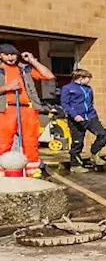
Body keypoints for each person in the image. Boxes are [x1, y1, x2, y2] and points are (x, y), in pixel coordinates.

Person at [0, 44, 54, 178]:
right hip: (6, 109)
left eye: (13, 54)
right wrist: (5, 87)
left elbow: (48, 75)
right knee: (3, 142)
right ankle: (2, 171)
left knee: (31, 141)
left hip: (28, 109)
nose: (10, 57)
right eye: (6, 54)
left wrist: (32, 60)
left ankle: (32, 171)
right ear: (0, 55)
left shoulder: (25, 69)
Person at [60, 69, 106, 172]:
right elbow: (65, 104)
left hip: (90, 117)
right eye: (88, 78)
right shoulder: (68, 88)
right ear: (81, 78)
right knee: (77, 142)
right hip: (76, 119)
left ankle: (95, 153)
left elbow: (90, 103)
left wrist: (94, 115)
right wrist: (75, 115)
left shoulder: (88, 89)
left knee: (102, 134)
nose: (89, 80)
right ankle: (75, 165)